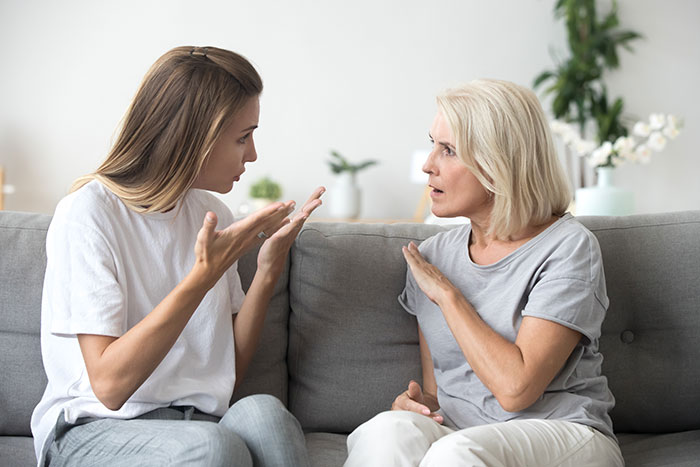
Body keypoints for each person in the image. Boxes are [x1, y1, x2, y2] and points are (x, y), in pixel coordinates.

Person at [30, 46, 324, 467]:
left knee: (265, 415)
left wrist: (267, 268)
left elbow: (225, 377)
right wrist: (201, 278)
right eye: (243, 137)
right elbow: (109, 387)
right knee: (212, 448)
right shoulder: (88, 214)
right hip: (93, 428)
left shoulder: (211, 216)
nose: (253, 154)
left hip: (194, 423)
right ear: (193, 137)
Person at [344, 79, 624, 466]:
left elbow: (516, 389)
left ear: (498, 164)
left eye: (449, 150)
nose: (428, 164)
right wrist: (419, 406)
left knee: (456, 453)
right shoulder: (432, 257)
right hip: (461, 433)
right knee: (385, 430)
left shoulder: (568, 248)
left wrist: (449, 296)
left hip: (563, 432)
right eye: (433, 144)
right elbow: (438, 392)